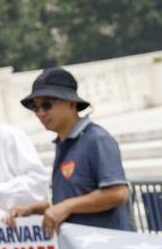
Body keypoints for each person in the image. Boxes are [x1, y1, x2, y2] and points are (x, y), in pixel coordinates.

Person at [9, 66, 131, 234]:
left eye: (47, 105)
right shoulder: (63, 144)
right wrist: (31, 210)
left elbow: (118, 193)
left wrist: (66, 206)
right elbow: (66, 203)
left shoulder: (96, 139)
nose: (41, 113)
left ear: (71, 103)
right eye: (35, 108)